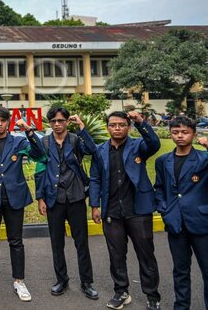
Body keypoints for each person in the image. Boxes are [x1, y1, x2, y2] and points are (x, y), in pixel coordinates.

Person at [89, 110, 161, 310]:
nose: (117, 128)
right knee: (116, 254)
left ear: (128, 127)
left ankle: (152, 296)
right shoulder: (100, 150)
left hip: (138, 210)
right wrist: (95, 205)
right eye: (113, 125)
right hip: (112, 211)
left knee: (146, 254)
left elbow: (154, 144)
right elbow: (95, 178)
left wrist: (141, 122)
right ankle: (121, 292)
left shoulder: (139, 146)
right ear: (107, 127)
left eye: (121, 125)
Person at [0, 107, 44, 302]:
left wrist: (28, 130)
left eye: (3, 120)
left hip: (14, 197)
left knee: (16, 241)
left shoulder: (19, 141)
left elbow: (39, 153)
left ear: (8, 122)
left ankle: (19, 280)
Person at [33, 108, 98, 299]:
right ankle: (62, 279)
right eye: (53, 121)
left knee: (81, 243)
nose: (57, 124)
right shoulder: (45, 142)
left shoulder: (75, 140)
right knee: (56, 242)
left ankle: (87, 282)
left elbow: (92, 150)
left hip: (76, 196)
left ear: (66, 122)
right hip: (54, 198)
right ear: (49, 123)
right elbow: (39, 172)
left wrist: (81, 126)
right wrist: (40, 198)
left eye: (60, 121)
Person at [155, 116, 208, 310]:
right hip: (175, 223)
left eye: (185, 132)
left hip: (201, 222)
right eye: (175, 132)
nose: (180, 136)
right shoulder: (163, 161)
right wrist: (164, 209)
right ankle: (181, 306)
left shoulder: (204, 159)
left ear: (194, 134)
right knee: (180, 270)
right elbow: (159, 187)